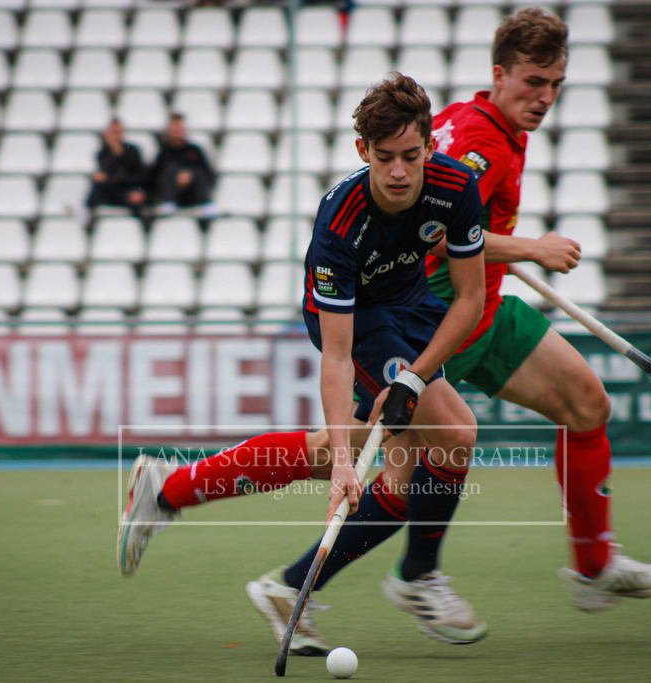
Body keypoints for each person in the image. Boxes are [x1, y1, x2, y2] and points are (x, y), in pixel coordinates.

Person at [118, 7, 651, 654]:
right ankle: (365, 576)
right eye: (534, 82)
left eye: (556, 84)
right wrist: (529, 247)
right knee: (387, 453)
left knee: (536, 418)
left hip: (444, 307)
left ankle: (187, 502)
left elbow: (469, 279)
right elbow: (336, 355)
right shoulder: (366, 209)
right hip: (370, 316)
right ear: (498, 74)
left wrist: (418, 373)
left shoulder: (459, 159)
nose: (546, 97)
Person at [118, 72, 489, 648]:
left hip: (414, 304)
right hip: (354, 321)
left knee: (399, 474)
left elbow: (469, 298)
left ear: (430, 147)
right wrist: (345, 463)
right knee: (454, 434)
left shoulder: (455, 185)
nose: (397, 171)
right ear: (362, 150)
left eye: (410, 156)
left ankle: (173, 491)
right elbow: (338, 357)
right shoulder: (339, 222)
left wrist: (413, 379)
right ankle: (417, 577)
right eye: (384, 157)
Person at [150, 112, 218, 218]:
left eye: (180, 128)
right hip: (172, 193)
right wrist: (176, 178)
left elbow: (207, 172)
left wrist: (189, 176)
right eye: (175, 129)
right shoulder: (164, 152)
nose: (178, 132)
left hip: (192, 195)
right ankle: (168, 203)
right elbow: (156, 175)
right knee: (170, 170)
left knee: (197, 172)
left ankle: (206, 203)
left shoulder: (195, 150)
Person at [86, 119, 148, 219]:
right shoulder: (103, 153)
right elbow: (106, 174)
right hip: (113, 191)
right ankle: (89, 216)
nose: (115, 135)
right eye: (112, 132)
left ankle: (139, 227)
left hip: (130, 188)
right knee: (98, 184)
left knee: (136, 198)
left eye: (117, 132)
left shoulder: (132, 151)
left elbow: (141, 176)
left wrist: (119, 178)